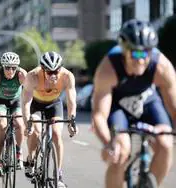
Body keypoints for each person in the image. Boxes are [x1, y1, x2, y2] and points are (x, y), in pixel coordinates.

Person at [92, 19, 176, 188]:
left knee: (166, 144)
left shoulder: (162, 67)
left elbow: (174, 107)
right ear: (124, 51)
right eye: (136, 54)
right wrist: (108, 143)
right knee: (120, 151)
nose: (141, 60)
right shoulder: (108, 69)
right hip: (118, 106)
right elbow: (99, 115)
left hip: (148, 101)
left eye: (146, 54)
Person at [21, 51, 78, 187]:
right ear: (42, 69)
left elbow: (71, 101)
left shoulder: (67, 76)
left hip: (54, 104)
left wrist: (72, 121)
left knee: (57, 134)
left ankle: (58, 175)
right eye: (49, 72)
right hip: (35, 104)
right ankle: (30, 159)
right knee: (35, 131)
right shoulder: (32, 76)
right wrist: (27, 123)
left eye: (56, 72)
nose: (53, 75)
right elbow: (26, 102)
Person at [0, 52, 27, 176]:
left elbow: (30, 92)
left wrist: (27, 110)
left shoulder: (22, 74)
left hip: (16, 102)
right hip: (0, 102)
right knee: (2, 125)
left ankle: (18, 153)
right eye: (7, 67)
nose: (10, 70)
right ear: (3, 67)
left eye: (14, 67)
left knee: (19, 122)